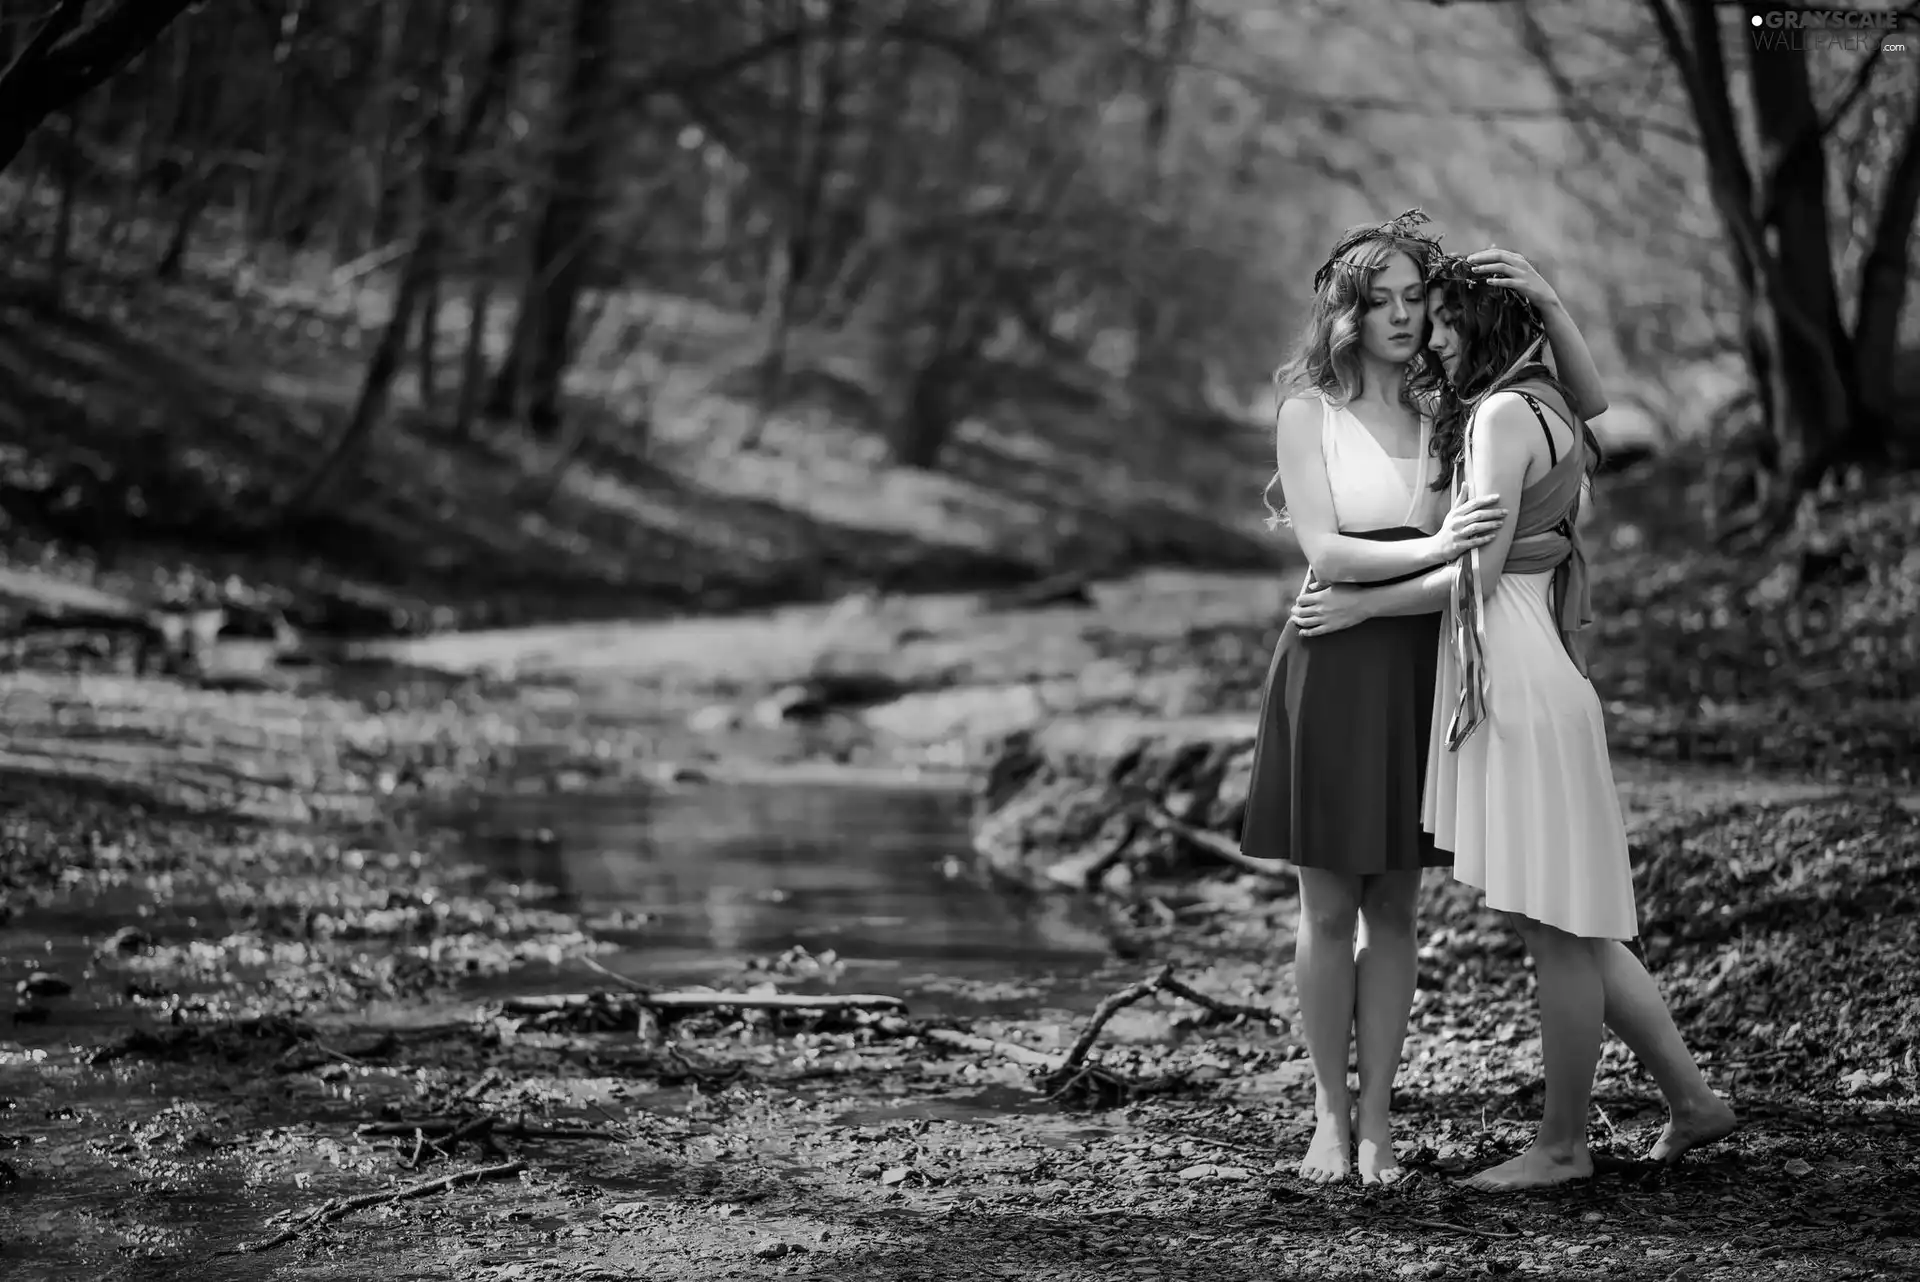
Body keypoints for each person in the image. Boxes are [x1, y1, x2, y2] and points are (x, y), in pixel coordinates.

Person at [1288, 252, 1738, 1191]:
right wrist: (1546, 298)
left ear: (1479, 325)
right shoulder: (1537, 404)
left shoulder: (1491, 415)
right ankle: (1691, 1100)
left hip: (1502, 665)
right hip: (1512, 668)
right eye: (1400, 308)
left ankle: (1564, 1146)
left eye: (1440, 313)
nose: (1424, 330)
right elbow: (1597, 397)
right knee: (1572, 922)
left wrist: (1371, 604)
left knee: (1552, 921)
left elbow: (1480, 570)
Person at [1240, 211, 1612, 1184]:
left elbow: (1583, 406)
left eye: (1417, 297)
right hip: (1331, 657)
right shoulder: (1306, 416)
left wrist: (1547, 299)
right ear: (1346, 313)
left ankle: (1377, 1126)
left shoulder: (1456, 403)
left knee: (1397, 910)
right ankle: (1326, 1115)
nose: (1404, 316)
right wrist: (1447, 546)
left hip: (1428, 664)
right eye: (1383, 301)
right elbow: (1324, 552)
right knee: (1328, 911)